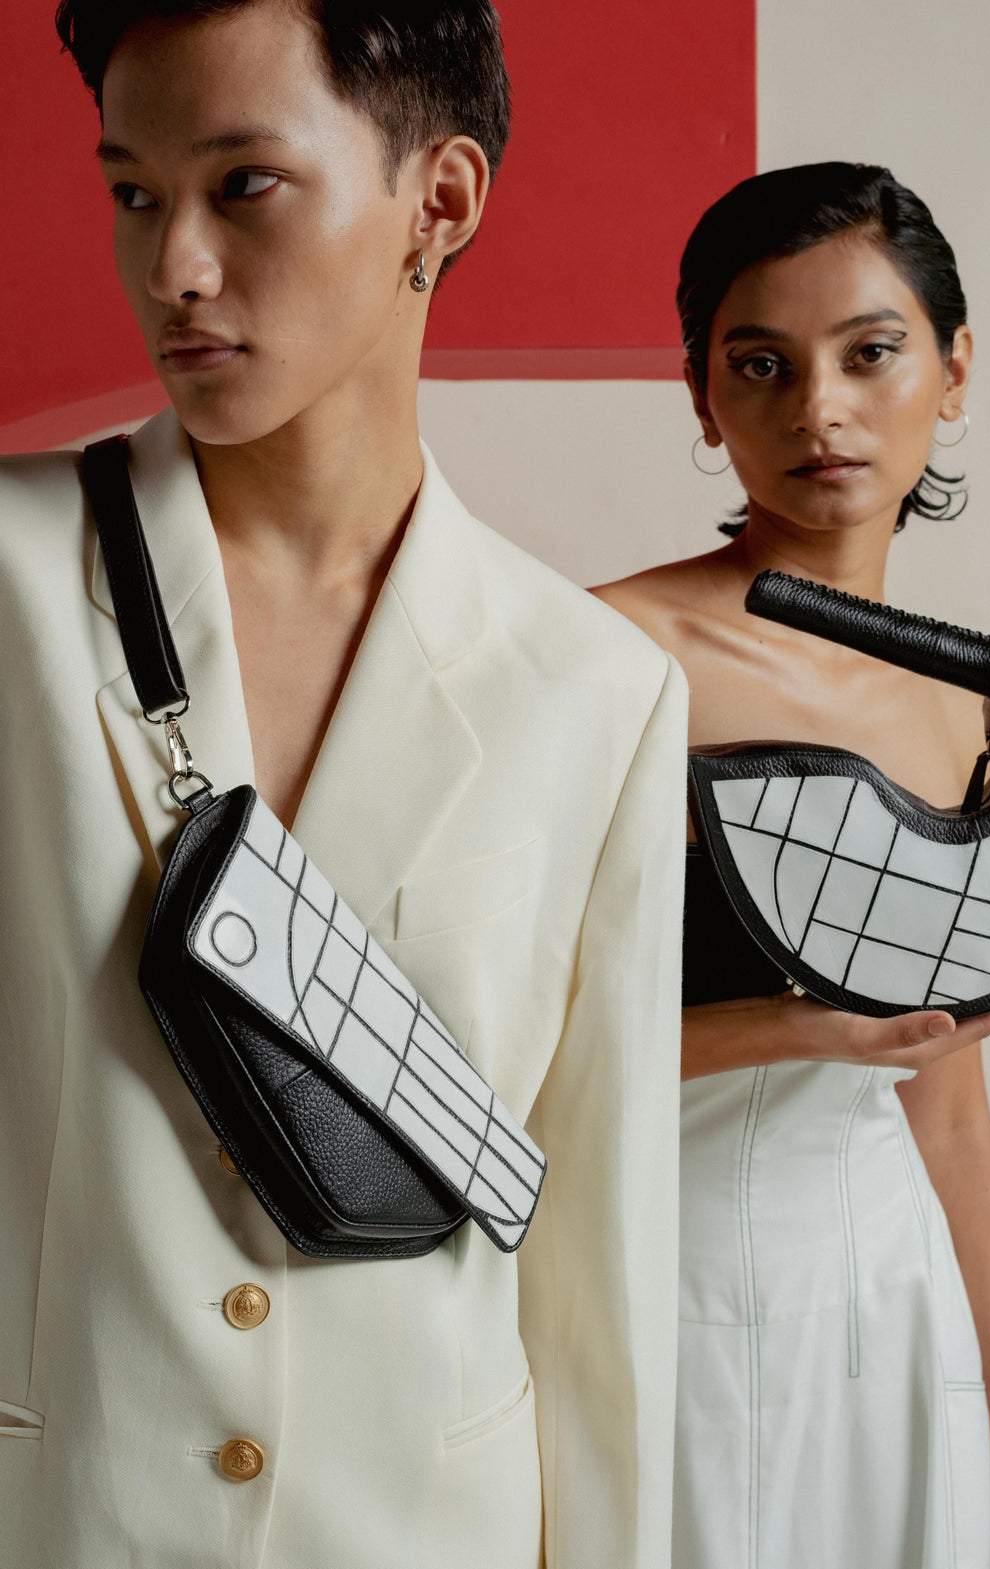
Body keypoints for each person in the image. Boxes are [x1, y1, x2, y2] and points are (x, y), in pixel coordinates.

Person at [0, 3, 687, 1565]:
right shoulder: (11, 578)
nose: (171, 266)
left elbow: (600, 1280)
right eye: (130, 192)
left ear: (437, 203)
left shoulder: (598, 691)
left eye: (242, 186)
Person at [595, 164, 990, 1569]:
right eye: (761, 364)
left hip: (894, 1301)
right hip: (666, 1296)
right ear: (701, 396)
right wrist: (790, 1028)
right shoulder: (608, 658)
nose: (820, 411)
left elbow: (952, 1118)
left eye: (872, 352)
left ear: (953, 364)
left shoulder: (972, 707)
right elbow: (488, 1050)